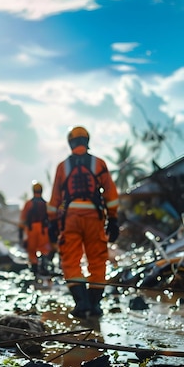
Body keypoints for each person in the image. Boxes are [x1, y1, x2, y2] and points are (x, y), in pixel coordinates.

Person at [47, 126, 119, 318]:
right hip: (94, 217)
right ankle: (94, 305)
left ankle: (81, 303)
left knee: (70, 260)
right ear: (87, 142)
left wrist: (53, 223)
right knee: (97, 260)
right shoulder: (99, 164)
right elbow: (111, 195)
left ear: (70, 143)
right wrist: (113, 218)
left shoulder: (63, 167)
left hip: (71, 218)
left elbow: (55, 199)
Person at [18, 181, 54, 275]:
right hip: (43, 230)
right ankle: (43, 267)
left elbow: (22, 220)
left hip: (31, 230)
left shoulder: (28, 204)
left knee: (32, 251)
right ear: (41, 191)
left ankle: (34, 270)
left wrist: (20, 235)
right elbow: (52, 219)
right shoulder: (46, 204)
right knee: (44, 250)